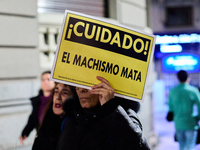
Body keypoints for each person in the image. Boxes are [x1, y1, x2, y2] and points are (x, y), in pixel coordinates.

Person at [57, 76, 150, 150]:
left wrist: (110, 109)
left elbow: (138, 146)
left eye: (88, 83)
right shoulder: (71, 119)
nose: (81, 89)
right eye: (78, 84)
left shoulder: (124, 113)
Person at [32, 83, 76, 150]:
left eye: (65, 93)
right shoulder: (47, 118)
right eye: (56, 92)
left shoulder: (75, 126)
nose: (58, 97)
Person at [20, 71, 55, 144]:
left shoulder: (57, 100)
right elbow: (33, 118)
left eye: (48, 79)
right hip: (41, 138)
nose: (45, 82)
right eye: (43, 80)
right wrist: (25, 132)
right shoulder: (37, 101)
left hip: (55, 139)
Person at [168, 70, 200, 150]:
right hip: (191, 123)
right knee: (191, 146)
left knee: (182, 147)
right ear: (187, 78)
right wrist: (198, 117)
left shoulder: (172, 91)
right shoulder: (193, 91)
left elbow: (170, 107)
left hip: (178, 123)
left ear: (178, 78)